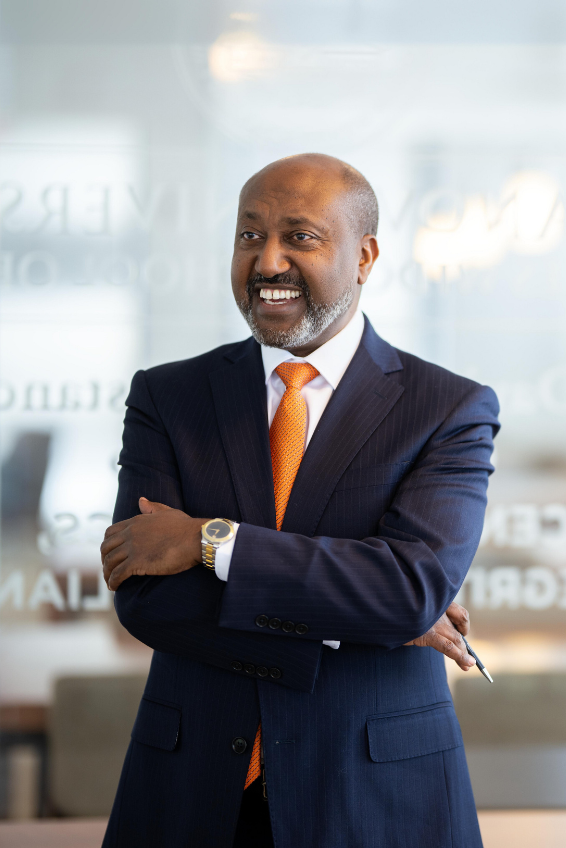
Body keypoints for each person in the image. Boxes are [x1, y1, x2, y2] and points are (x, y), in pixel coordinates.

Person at [97, 153, 498, 848]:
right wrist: (362, 620)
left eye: (299, 237)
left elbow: (408, 590)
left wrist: (208, 542)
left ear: (365, 256)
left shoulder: (447, 408)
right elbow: (145, 596)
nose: (268, 261)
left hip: (376, 796)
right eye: (250, 236)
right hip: (194, 793)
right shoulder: (170, 397)